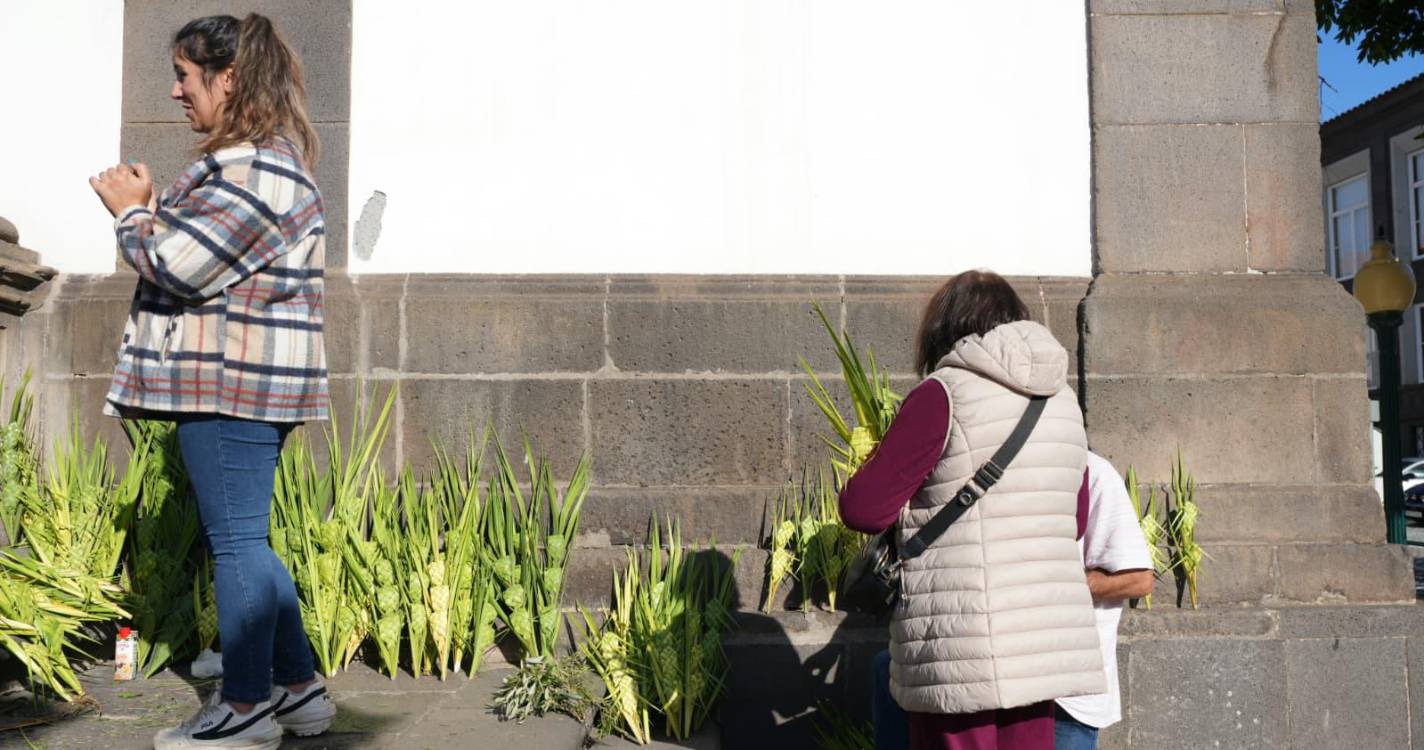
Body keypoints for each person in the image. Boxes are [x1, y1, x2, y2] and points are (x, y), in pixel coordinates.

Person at [88, 13, 334, 750]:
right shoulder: (255, 168)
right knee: (246, 541)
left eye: (186, 76)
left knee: (236, 544)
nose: (174, 90)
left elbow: (182, 266)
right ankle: (298, 689)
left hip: (231, 385)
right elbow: (208, 253)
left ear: (229, 78)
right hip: (239, 382)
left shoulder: (258, 170)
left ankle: (246, 707)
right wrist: (157, 212)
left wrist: (132, 216)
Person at [840, 270, 1104, 750]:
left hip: (960, 637)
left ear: (945, 328)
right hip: (1040, 644)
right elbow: (1076, 521)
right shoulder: (1063, 403)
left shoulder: (944, 393)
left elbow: (863, 508)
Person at [870, 452, 1155, 750]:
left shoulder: (1090, 470)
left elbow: (1138, 579)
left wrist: (1045, 586)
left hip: (1062, 694)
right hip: (973, 678)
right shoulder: (963, 465)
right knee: (885, 667)